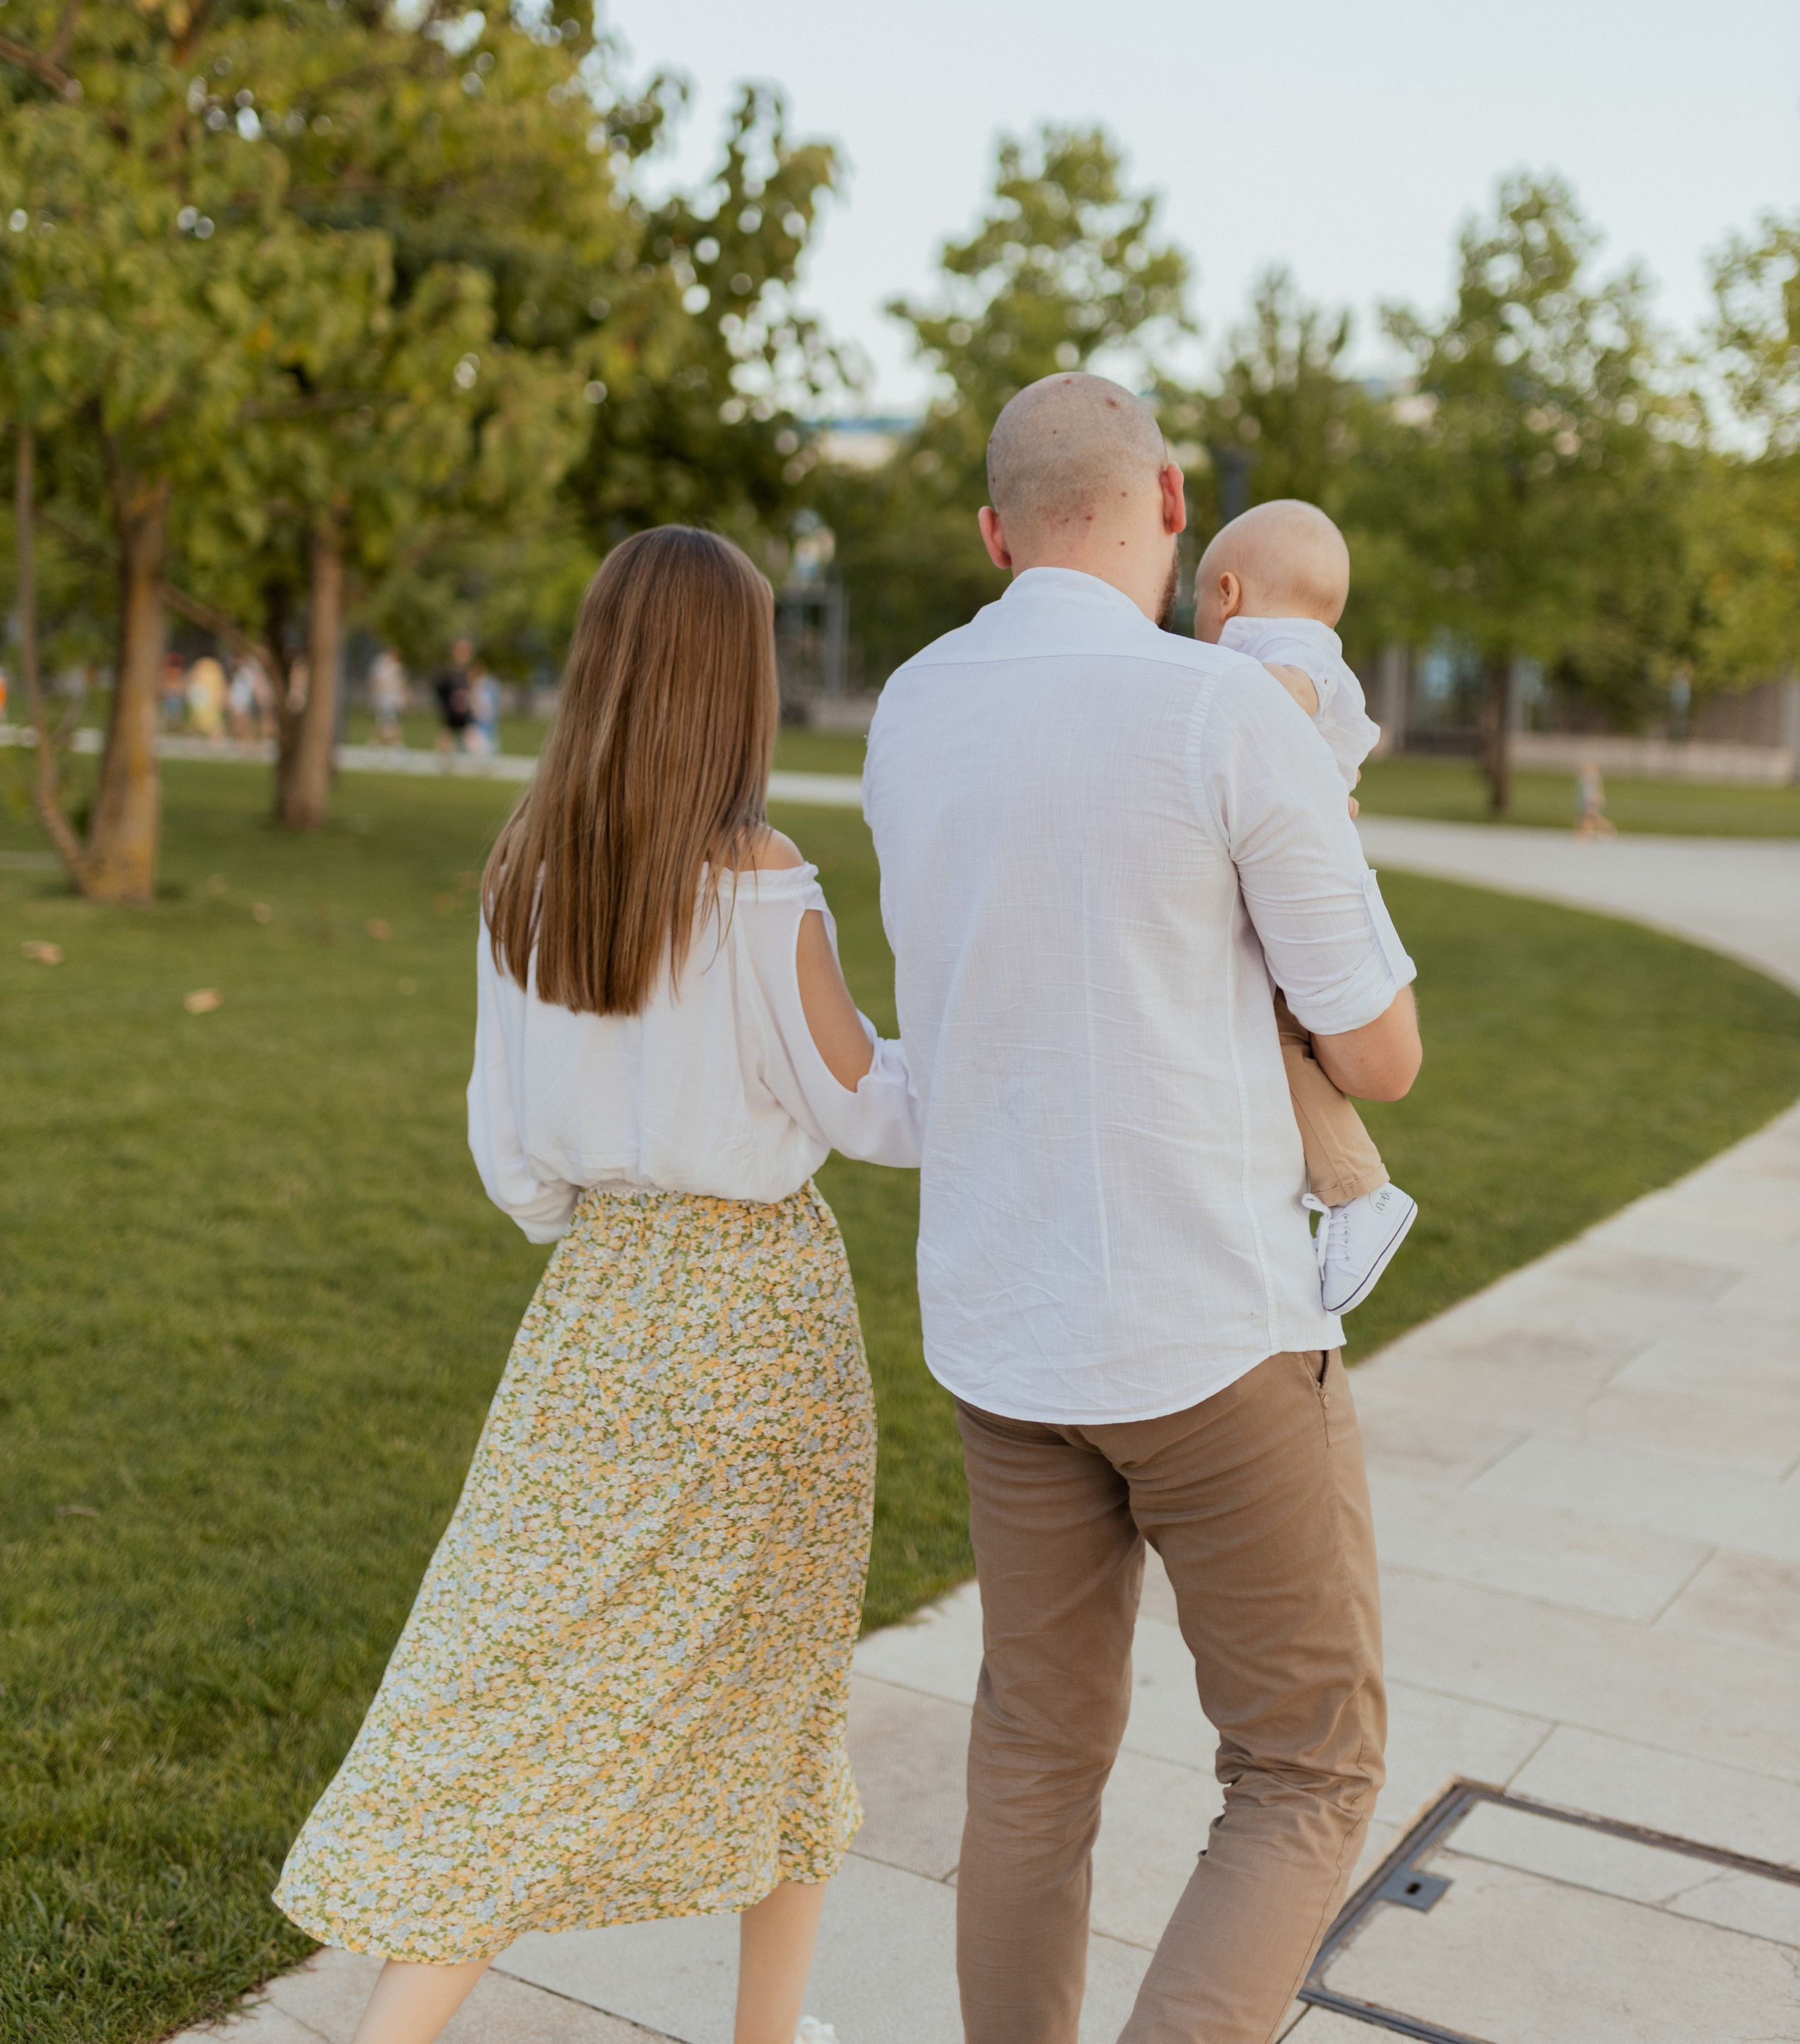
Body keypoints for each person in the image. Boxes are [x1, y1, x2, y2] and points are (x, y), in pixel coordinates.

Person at [274, 527, 922, 2044]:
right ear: (733, 687)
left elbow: (513, 1163)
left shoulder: (526, 868)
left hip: (591, 1314)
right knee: (780, 1683)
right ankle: (766, 2034)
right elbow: (873, 1114)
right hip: (755, 1320)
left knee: (524, 1690)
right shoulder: (765, 889)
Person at [864, 372, 1421, 2044]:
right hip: (1210, 1330)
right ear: (1171, 503)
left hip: (1001, 1330)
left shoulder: (908, 703)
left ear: (991, 531)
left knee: (1032, 1753)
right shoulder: (1220, 711)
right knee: (1305, 1764)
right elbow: (1378, 1052)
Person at [1194, 499, 1420, 1314]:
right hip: (1306, 876)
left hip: (1315, 884)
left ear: (1227, 594)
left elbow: (1278, 699)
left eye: (1196, 613)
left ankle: (1359, 1193)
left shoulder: (1287, 653)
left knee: (1282, 1040)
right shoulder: (1304, 647)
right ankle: (1350, 1193)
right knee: (1277, 1038)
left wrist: (1190, 685)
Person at [432, 638, 475, 753]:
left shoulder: (469, 673)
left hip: (466, 713)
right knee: (447, 736)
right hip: (451, 712)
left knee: (472, 739)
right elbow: (441, 692)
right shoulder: (449, 673)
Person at [367, 647, 408, 747]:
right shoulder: (382, 663)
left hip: (393, 698)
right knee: (383, 722)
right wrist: (376, 694)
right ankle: (376, 742)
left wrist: (403, 696)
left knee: (393, 722)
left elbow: (400, 683)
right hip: (383, 697)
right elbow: (376, 680)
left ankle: (395, 743)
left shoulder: (397, 666)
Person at [184, 651, 228, 741]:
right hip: (205, 698)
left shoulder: (213, 666)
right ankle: (194, 740)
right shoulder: (209, 666)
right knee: (200, 720)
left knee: (211, 721)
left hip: (209, 699)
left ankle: (214, 741)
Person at [1575, 754, 1615, 841]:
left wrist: (1595, 802)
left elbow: (1597, 792)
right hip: (1585, 801)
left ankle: (1587, 837)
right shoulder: (1585, 777)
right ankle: (1586, 836)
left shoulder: (1594, 778)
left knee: (1590, 819)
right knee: (1588, 819)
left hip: (1591, 802)